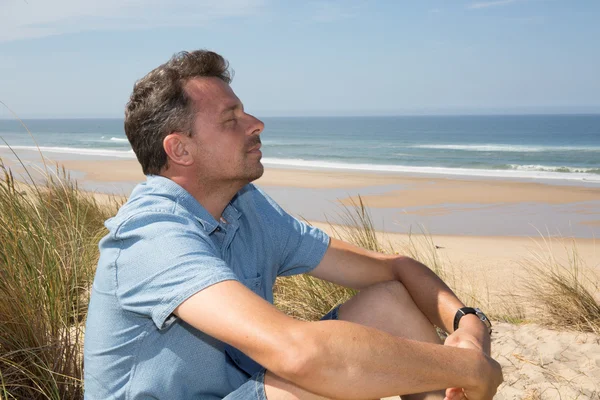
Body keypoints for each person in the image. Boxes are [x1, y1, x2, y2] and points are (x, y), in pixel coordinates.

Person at [84, 49, 503, 400]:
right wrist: (465, 367)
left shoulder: (244, 207)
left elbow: (395, 268)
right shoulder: (152, 236)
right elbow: (299, 354)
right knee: (315, 367)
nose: (255, 124)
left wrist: (468, 325)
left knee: (389, 301)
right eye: (231, 119)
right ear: (180, 149)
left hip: (242, 390)